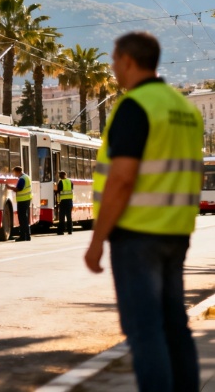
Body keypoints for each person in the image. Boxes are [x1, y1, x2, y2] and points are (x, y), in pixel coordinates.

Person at [84, 31, 202, 392]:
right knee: (174, 325)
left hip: (137, 235)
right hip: (176, 233)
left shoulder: (135, 106)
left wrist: (97, 240)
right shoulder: (184, 109)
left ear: (129, 61)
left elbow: (121, 179)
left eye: (114, 59)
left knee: (144, 330)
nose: (113, 66)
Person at [7, 166, 32, 241]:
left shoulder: (22, 179)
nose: (14, 174)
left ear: (18, 172)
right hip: (27, 199)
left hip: (22, 200)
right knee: (25, 219)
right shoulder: (27, 177)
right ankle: (27, 236)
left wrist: (10, 187)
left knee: (22, 219)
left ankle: (22, 236)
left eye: (14, 172)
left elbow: (19, 189)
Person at [55, 170, 73, 235]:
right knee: (69, 216)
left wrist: (55, 191)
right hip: (70, 201)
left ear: (60, 176)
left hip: (63, 201)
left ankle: (61, 231)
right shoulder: (70, 181)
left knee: (61, 217)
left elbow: (59, 191)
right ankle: (70, 230)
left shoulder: (60, 182)